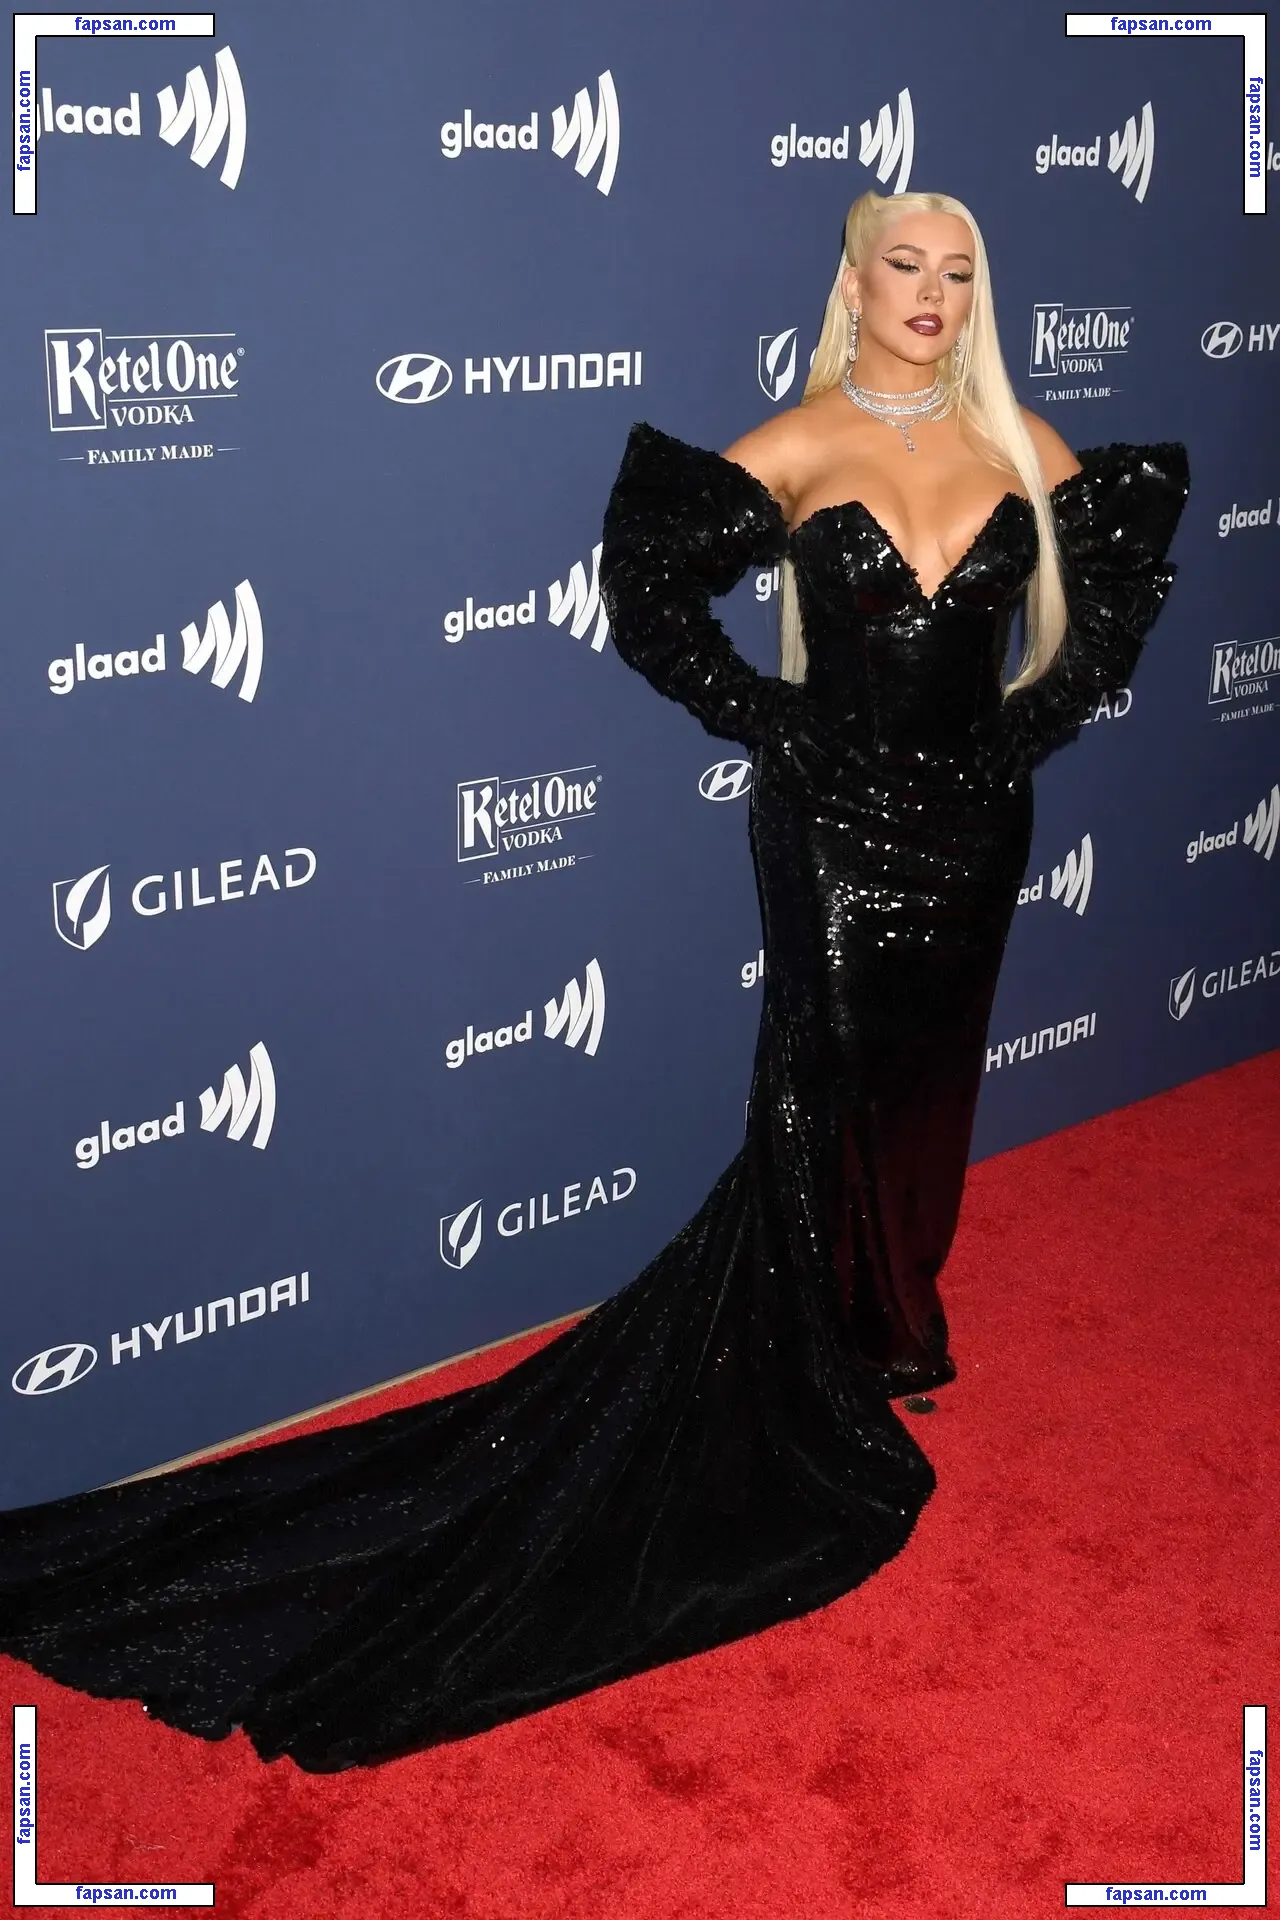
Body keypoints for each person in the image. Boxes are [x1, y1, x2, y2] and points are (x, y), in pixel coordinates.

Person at [0, 190, 1188, 1773]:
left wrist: (1023, 729)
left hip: (973, 829)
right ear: (851, 282)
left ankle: (893, 1323)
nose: (933, 292)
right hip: (832, 833)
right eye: (904, 264)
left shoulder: (1019, 439)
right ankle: (812, 1361)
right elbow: (650, 591)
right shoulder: (799, 441)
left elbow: (1113, 603)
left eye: (959, 272)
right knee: (824, 1073)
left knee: (928, 1081)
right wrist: (773, 720)